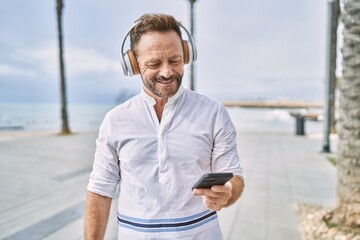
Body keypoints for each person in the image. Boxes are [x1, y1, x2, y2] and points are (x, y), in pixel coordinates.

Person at [84, 13, 244, 240]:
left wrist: (228, 192)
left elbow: (234, 177)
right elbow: (100, 190)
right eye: (154, 63)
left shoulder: (214, 113)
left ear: (186, 55)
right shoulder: (115, 120)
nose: (167, 72)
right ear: (134, 64)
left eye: (175, 60)